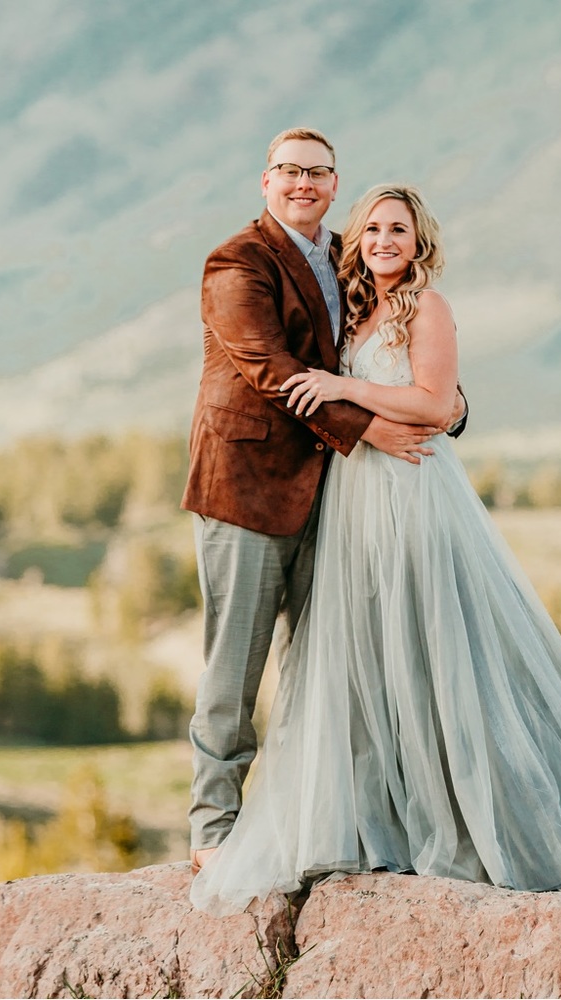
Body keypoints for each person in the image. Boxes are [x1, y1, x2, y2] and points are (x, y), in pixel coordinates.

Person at [189, 183, 561, 939]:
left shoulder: (426, 306)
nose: (383, 240)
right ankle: (373, 815)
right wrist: (370, 416)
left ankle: (464, 813)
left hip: (409, 492)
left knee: (431, 646)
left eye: (398, 230)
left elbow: (437, 403)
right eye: (373, 229)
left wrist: (355, 390)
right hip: (350, 500)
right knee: (363, 655)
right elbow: (288, 372)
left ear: (420, 241)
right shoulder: (346, 301)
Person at [181, 130, 466, 876]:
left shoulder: (351, 253)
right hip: (247, 490)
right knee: (234, 667)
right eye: (289, 171)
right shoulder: (237, 262)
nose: (302, 182)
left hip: (337, 496)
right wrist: (372, 428)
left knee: (328, 665)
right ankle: (214, 827)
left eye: (317, 172)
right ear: (265, 181)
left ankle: (322, 820)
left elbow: (397, 344)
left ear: (335, 184)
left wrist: (448, 406)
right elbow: (273, 371)